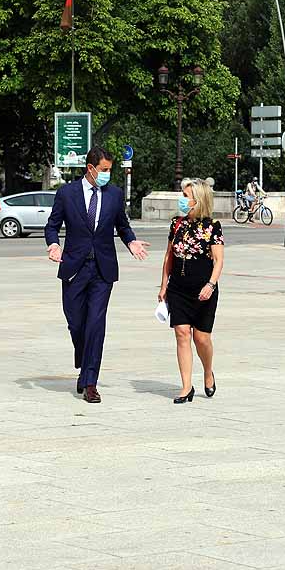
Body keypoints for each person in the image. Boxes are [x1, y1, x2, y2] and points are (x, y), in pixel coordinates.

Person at [44, 146, 149, 404]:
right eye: (104, 170)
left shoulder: (113, 194)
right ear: (90, 169)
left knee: (96, 325)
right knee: (76, 323)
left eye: (110, 170)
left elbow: (123, 226)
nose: (107, 175)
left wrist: (131, 242)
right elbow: (52, 225)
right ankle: (84, 360)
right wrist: (54, 244)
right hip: (74, 268)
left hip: (102, 270)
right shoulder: (66, 193)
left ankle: (90, 382)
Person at [159, 179, 223, 403]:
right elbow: (168, 256)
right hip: (178, 288)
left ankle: (207, 371)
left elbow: (218, 261)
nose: (182, 200)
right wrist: (163, 285)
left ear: (199, 199)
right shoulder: (177, 223)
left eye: (186, 196)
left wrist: (210, 285)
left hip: (203, 290)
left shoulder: (212, 226)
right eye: (182, 195)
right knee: (182, 334)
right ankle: (186, 386)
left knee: (201, 338)